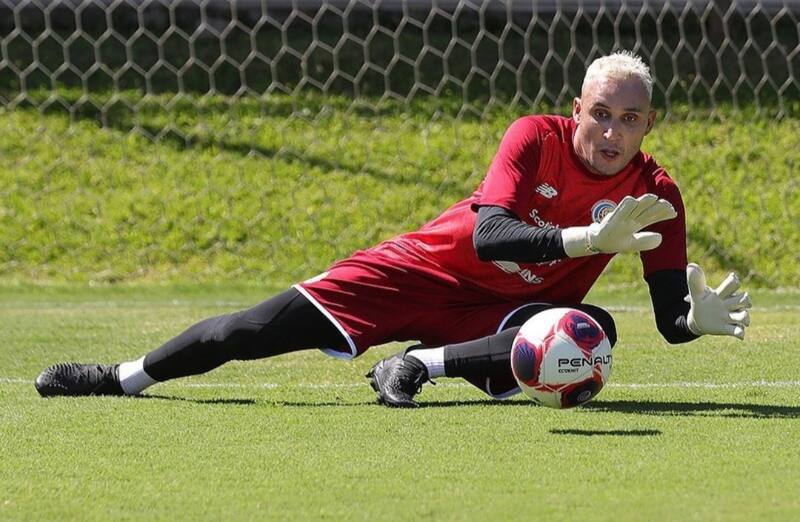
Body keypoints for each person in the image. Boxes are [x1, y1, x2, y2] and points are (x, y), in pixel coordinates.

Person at [35, 51, 751, 407]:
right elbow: (488, 237)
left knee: (594, 330)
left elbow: (668, 317)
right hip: (418, 270)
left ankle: (413, 367)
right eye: (601, 112)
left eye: (630, 119)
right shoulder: (534, 137)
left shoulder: (656, 192)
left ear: (649, 123)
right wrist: (583, 242)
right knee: (247, 332)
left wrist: (694, 319)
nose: (612, 131)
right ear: (576, 109)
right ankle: (120, 378)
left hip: (494, 317)